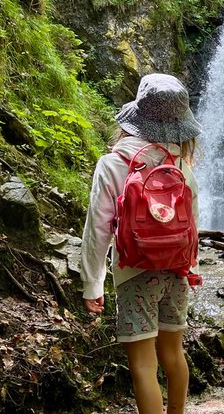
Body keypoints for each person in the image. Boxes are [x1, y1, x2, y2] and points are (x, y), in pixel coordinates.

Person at [81, 73, 202, 414]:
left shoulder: (113, 164)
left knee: (144, 366)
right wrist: (191, 269)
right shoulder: (180, 166)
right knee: (173, 355)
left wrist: (92, 283)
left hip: (133, 274)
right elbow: (192, 225)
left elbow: (98, 229)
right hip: (177, 273)